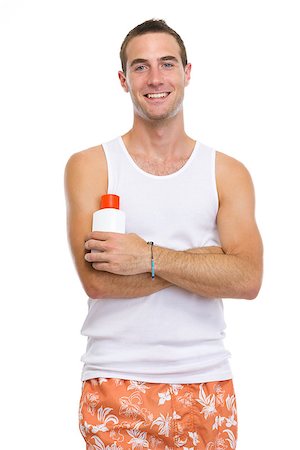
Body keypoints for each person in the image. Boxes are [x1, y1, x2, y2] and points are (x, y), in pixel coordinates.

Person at [64, 19, 263, 450]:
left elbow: (247, 279)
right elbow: (97, 281)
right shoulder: (91, 166)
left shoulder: (227, 172)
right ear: (123, 80)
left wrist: (147, 255)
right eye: (140, 67)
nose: (155, 79)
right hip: (115, 382)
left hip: (206, 383)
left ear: (187, 73)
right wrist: (209, 261)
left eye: (167, 63)